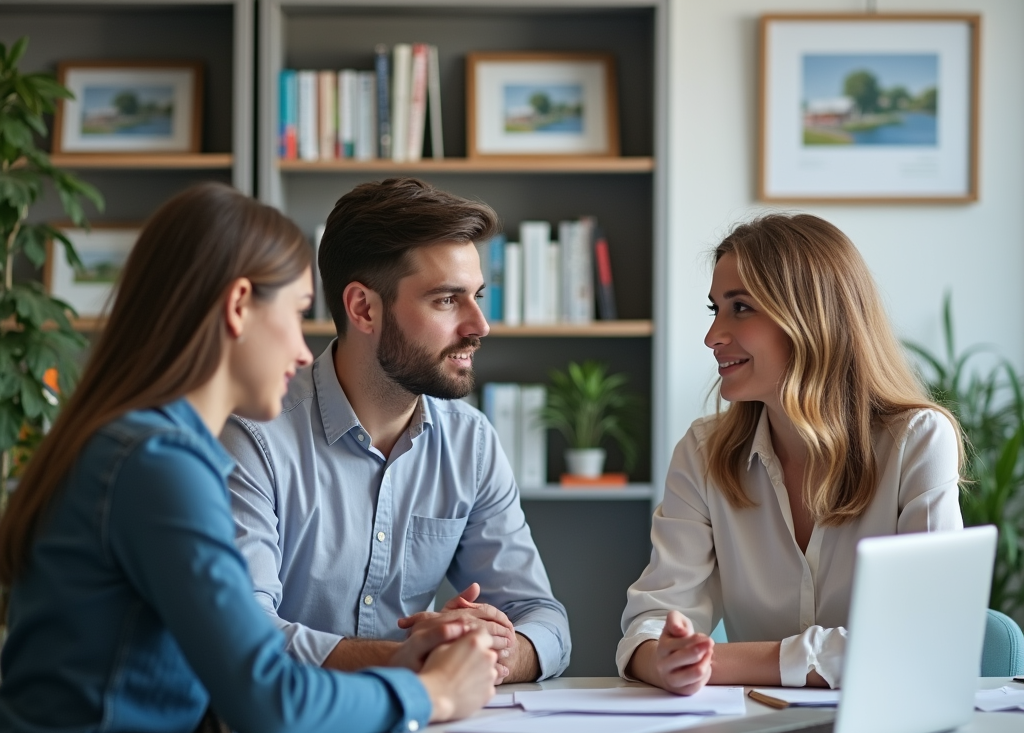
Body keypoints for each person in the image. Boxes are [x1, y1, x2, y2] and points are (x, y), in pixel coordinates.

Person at [0, 183, 498, 733]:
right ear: (239, 307)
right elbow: (268, 698)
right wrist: (433, 692)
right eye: (294, 313)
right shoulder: (159, 466)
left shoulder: (149, 448)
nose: (300, 349)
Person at [221, 177, 570, 684]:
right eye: (447, 300)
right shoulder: (254, 437)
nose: (480, 325)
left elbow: (544, 619)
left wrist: (492, 652)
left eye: (477, 296)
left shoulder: (470, 442)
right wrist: (412, 658)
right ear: (364, 308)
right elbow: (244, 633)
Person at [617, 213, 964, 695]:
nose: (712, 335)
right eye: (714, 308)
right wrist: (663, 660)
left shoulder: (917, 441)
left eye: (740, 308)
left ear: (811, 317)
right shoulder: (703, 452)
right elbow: (653, 619)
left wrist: (719, 662)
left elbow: (925, 640)